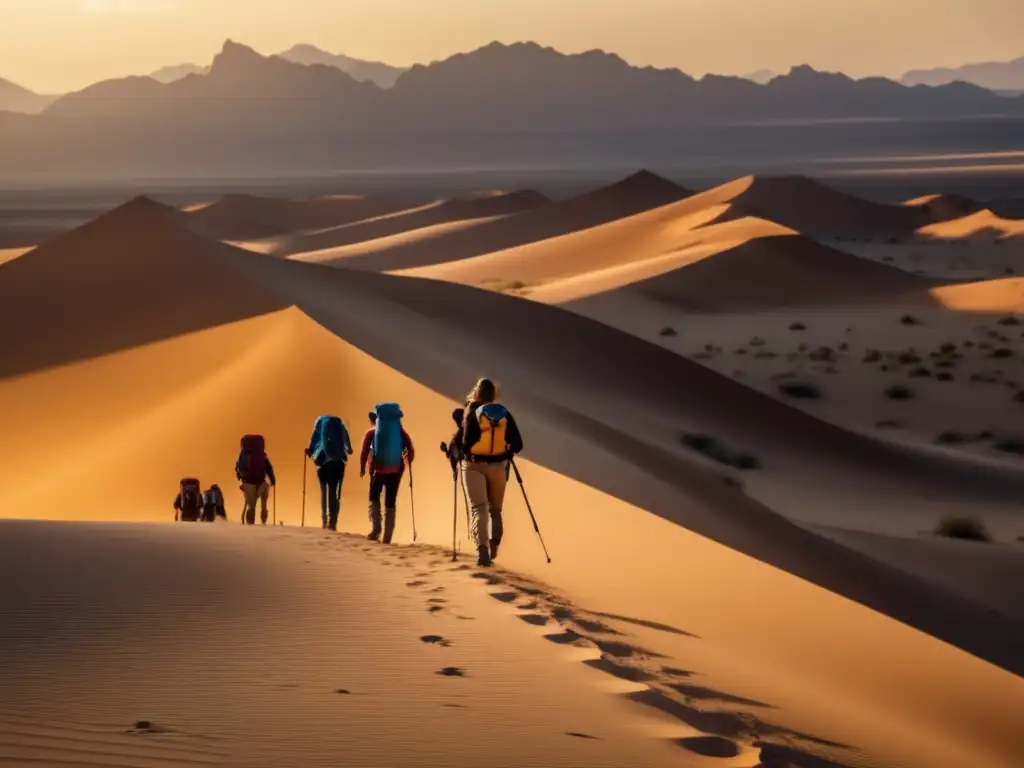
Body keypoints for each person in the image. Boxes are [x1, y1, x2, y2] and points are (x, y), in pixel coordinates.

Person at [460, 378, 523, 566]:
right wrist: (506, 451)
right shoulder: (504, 414)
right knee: (495, 510)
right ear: (494, 394)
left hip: (473, 466)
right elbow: (518, 444)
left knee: (479, 508)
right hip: (498, 467)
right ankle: (494, 545)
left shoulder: (472, 412)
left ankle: (482, 551)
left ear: (476, 392)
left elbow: (466, 444)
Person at [359, 403, 414, 544]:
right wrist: (404, 467)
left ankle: (376, 529)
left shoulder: (372, 433)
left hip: (377, 471)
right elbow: (411, 451)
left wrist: (363, 468)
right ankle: (387, 537)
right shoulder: (401, 433)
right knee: (390, 502)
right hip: (395, 472)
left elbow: (364, 451)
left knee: (374, 497)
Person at [306, 414, 354, 530]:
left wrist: (311, 451)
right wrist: (349, 449)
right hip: (338, 463)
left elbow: (313, 440)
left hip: (323, 463)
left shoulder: (319, 424)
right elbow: (347, 442)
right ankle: (333, 521)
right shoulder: (340, 425)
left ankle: (324, 520)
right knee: (334, 492)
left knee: (324, 492)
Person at [235, 434, 276, 525]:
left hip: (248, 483)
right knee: (264, 504)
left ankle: (250, 524)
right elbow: (269, 468)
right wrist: (273, 480)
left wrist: (240, 478)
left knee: (251, 506)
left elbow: (237, 468)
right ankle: (263, 521)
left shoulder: (242, 456)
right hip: (261, 482)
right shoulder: (262, 455)